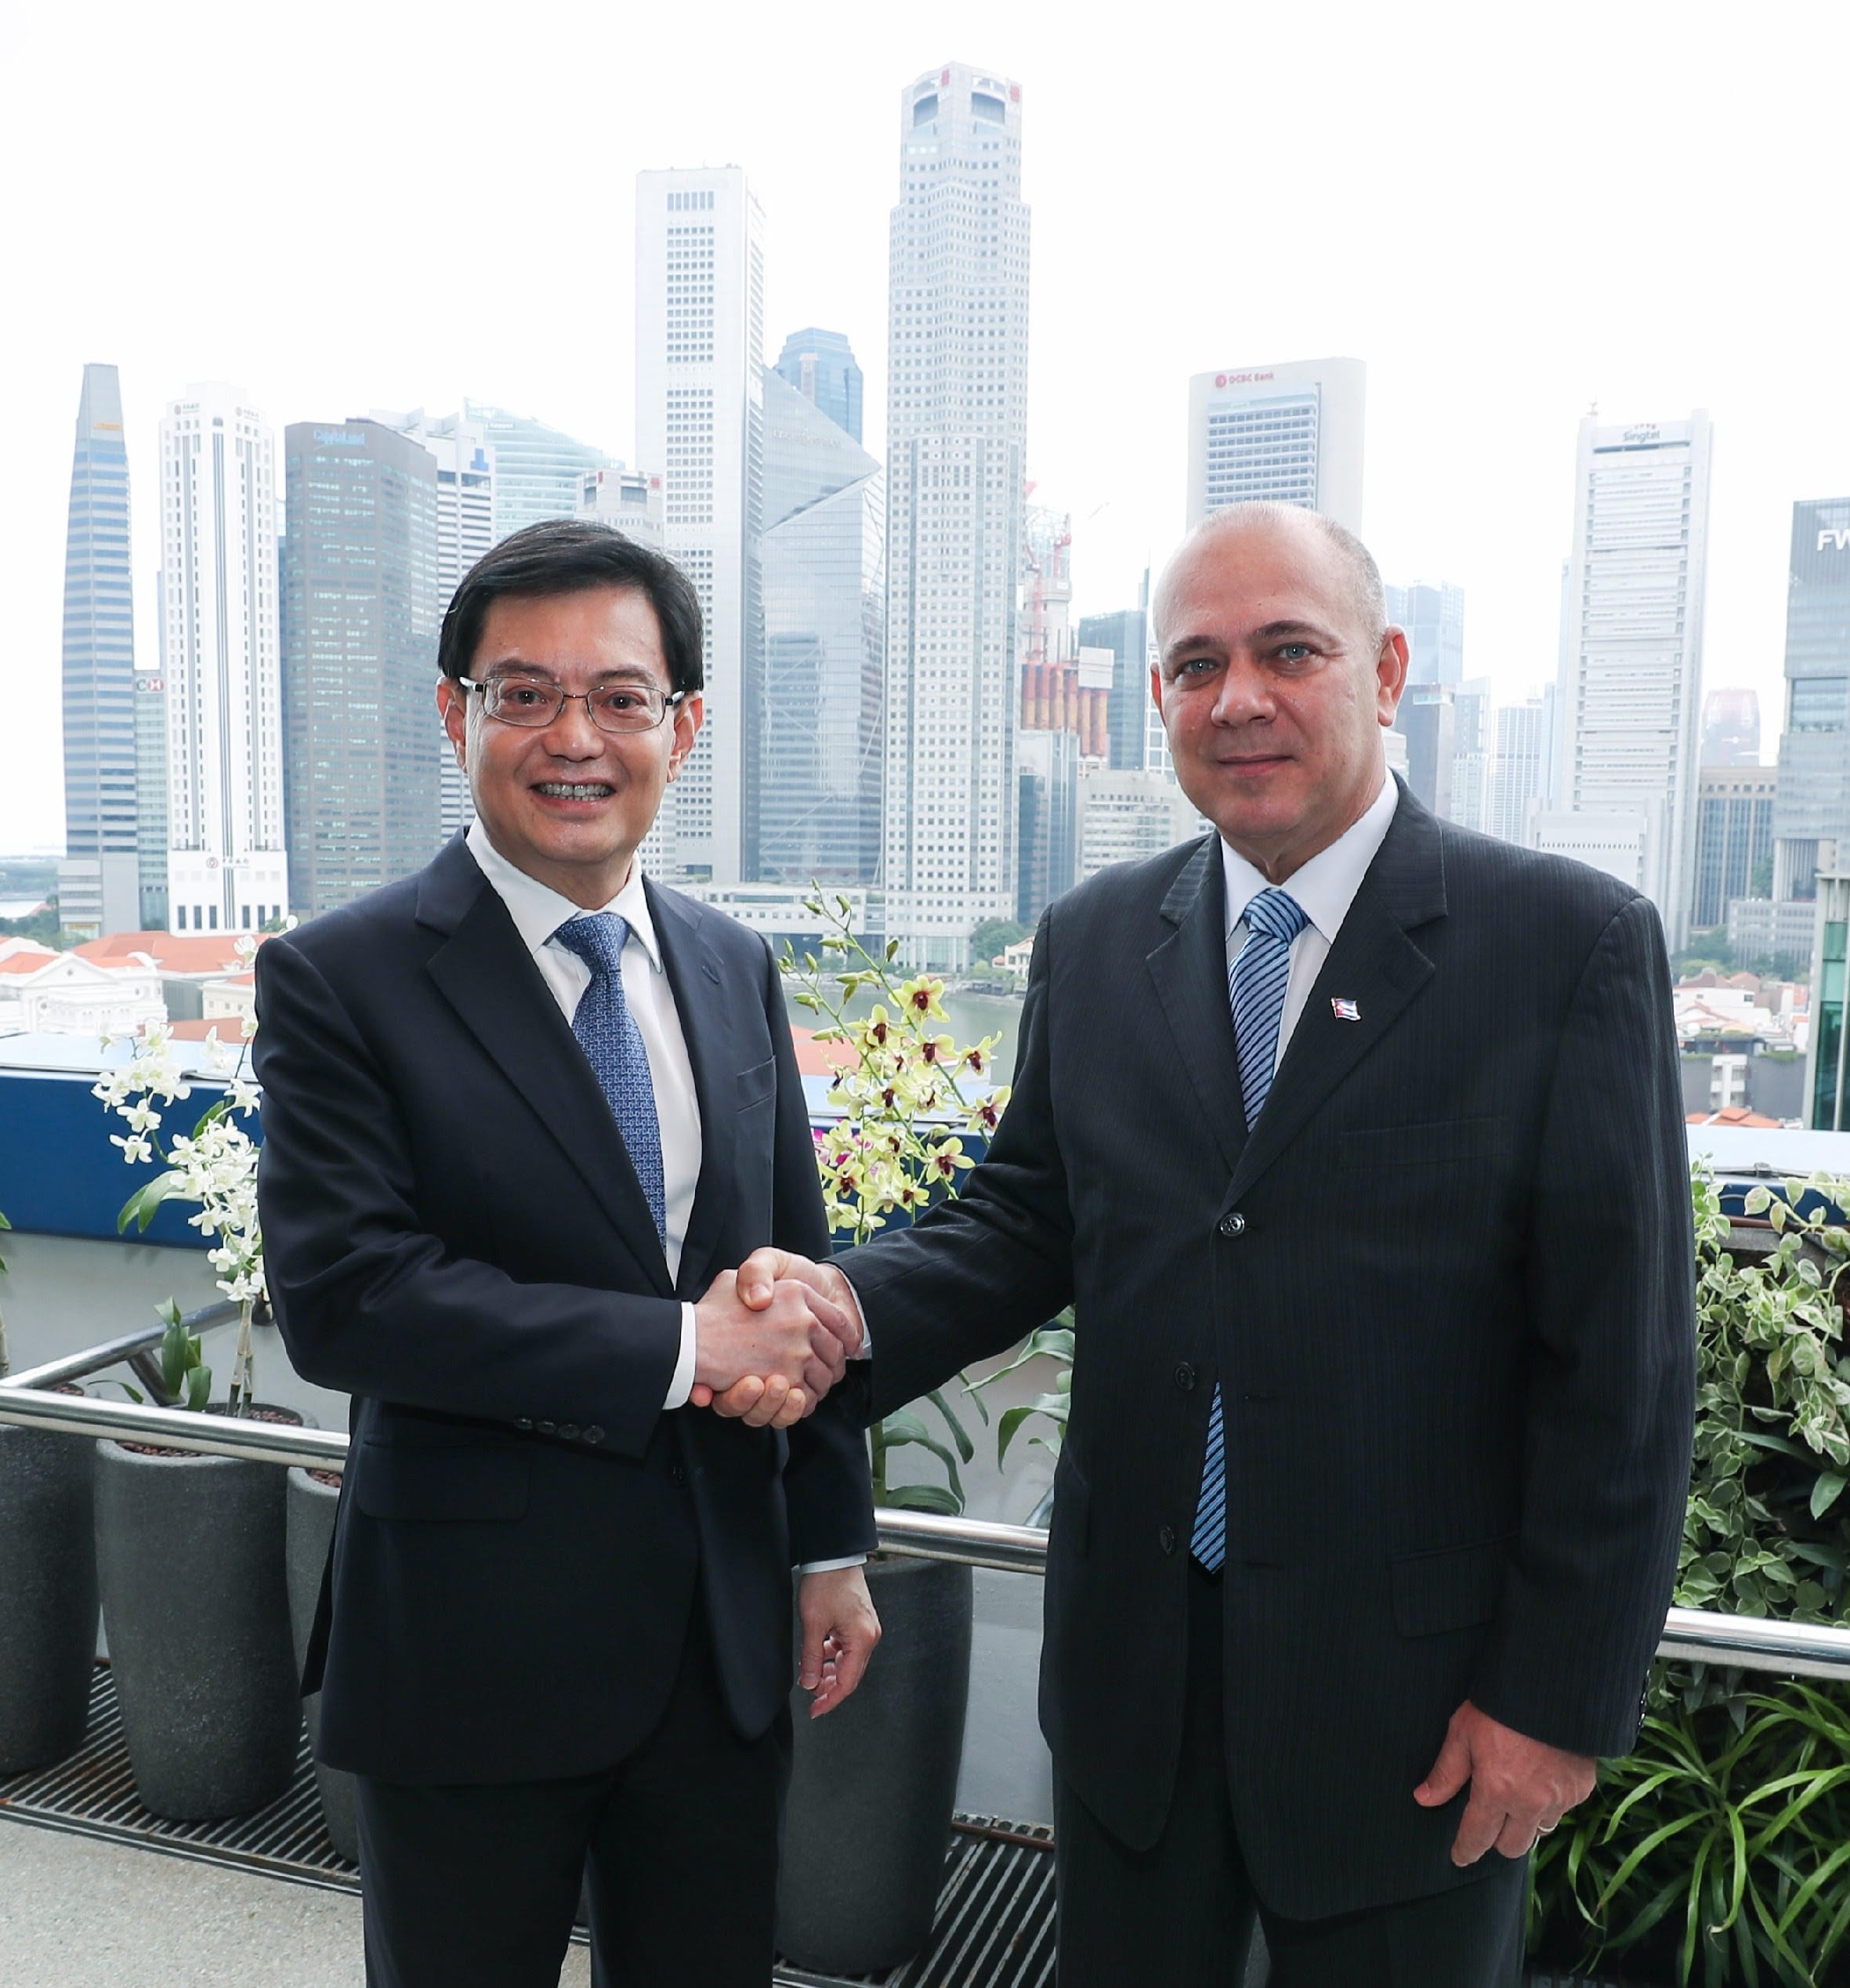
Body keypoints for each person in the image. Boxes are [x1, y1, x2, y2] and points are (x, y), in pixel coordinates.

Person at [725, 501, 1696, 1986]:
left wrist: (1556, 1704)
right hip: (1134, 1691)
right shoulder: (1100, 935)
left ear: (1385, 668)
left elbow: (1622, 1374)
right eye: (1193, 665)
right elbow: (1028, 1215)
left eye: (1286, 651)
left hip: (1420, 1718)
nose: (1237, 698)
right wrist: (843, 1309)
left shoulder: (1564, 948)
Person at [254, 518, 880, 1988]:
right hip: (472, 1646)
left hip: (717, 1635)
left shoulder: (732, 961)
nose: (572, 737)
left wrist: (830, 1542)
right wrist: (681, 1350)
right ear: (454, 712)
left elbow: (799, 1270)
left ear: (687, 722)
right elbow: (350, 1301)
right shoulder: (341, 977)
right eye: (522, 693)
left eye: (619, 697)